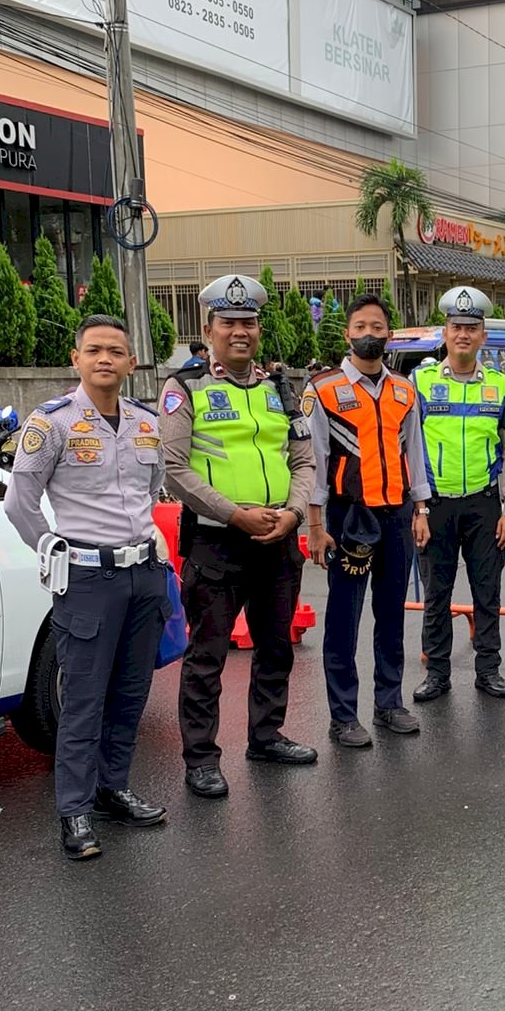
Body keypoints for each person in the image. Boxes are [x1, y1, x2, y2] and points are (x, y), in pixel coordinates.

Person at [4, 315, 168, 860]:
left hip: (143, 575)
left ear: (131, 362)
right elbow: (19, 500)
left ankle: (111, 788)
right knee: (82, 698)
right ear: (75, 359)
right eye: (94, 350)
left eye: (116, 351)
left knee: (129, 692)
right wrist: (49, 546)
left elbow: (151, 489)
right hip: (89, 578)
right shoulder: (50, 423)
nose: (105, 359)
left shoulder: (146, 422)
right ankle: (73, 811)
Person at [160, 273, 317, 800]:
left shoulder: (280, 387)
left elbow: (302, 459)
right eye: (229, 322)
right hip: (216, 543)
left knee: (275, 648)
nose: (240, 331)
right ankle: (201, 759)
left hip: (278, 537)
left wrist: (294, 514)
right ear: (209, 330)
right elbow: (174, 470)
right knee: (207, 657)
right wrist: (234, 515)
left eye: (248, 322)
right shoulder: (184, 389)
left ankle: (266, 735)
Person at [305, 292, 432, 747]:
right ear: (347, 334)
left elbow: (414, 453)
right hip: (347, 518)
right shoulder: (322, 390)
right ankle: (342, 715)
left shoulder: (404, 390)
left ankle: (389, 704)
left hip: (397, 516)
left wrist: (420, 509)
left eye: (377, 327)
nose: (368, 334)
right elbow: (314, 461)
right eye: (360, 327)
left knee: (391, 614)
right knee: (343, 617)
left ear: (389, 334)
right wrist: (315, 525)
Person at [411, 286, 505, 702]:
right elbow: (408, 448)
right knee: (436, 593)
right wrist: (417, 506)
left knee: (487, 592)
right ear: (445, 332)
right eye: (456, 326)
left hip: (484, 504)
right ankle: (437, 673)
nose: (463, 334)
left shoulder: (500, 386)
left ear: (483, 335)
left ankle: (488, 670)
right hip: (435, 504)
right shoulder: (419, 383)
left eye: (471, 328)